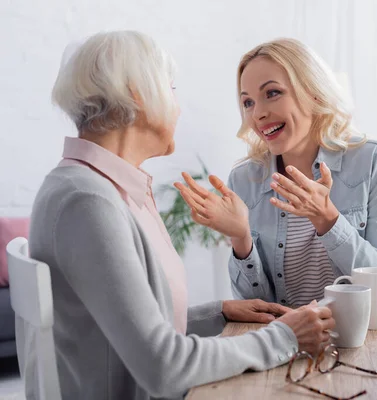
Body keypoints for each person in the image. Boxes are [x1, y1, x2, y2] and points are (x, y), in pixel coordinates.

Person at [24, 31, 334, 400]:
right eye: (170, 88)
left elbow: (129, 327)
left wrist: (218, 312)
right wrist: (286, 336)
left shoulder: (95, 187)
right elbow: (164, 368)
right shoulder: (87, 201)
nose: (178, 107)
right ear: (138, 94)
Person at [175, 38, 377, 308]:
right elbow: (257, 309)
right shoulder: (244, 180)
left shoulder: (370, 160)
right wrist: (241, 238)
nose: (258, 114)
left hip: (355, 344)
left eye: (272, 93)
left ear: (313, 92)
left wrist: (328, 220)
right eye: (248, 102)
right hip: (284, 343)